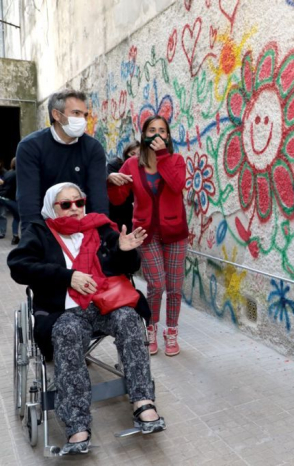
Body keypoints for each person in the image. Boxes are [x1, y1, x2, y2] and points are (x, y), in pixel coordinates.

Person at [7, 183, 166, 456]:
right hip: (64, 310)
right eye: (65, 204)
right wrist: (67, 276)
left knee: (129, 319)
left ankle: (143, 402)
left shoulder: (101, 227)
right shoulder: (40, 231)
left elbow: (127, 268)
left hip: (106, 305)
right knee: (68, 332)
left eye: (78, 202)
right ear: (51, 208)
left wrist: (125, 250)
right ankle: (77, 424)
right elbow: (18, 266)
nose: (75, 209)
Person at [108, 116, 187, 356]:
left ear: (168, 137)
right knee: (156, 284)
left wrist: (162, 157)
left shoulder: (176, 160)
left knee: (174, 287)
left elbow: (177, 185)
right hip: (145, 232)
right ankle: (150, 327)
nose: (157, 134)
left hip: (175, 232)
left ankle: (171, 331)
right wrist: (112, 181)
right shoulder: (132, 164)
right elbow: (117, 199)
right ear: (143, 135)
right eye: (152, 130)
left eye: (162, 130)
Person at [15, 89, 108, 226]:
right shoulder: (30, 147)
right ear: (56, 115)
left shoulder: (93, 148)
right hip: (44, 229)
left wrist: (104, 235)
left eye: (85, 115)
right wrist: (33, 238)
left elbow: (98, 198)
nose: (82, 120)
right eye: (76, 113)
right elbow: (28, 201)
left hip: (82, 229)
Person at [107, 142, 139, 232]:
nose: (135, 157)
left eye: (139, 154)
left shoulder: (142, 171)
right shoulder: (115, 164)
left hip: (127, 211)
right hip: (111, 209)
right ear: (126, 153)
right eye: (132, 154)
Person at [0, 158, 21, 244]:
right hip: (10, 199)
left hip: (3, 197)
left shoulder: (8, 173)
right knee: (20, 217)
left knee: (16, 217)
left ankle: (15, 237)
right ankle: (17, 237)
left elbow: (3, 184)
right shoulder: (19, 174)